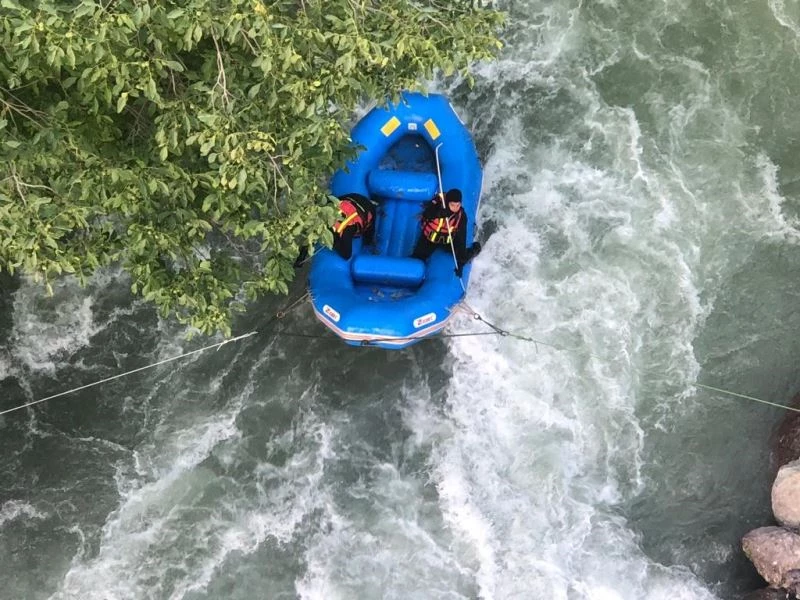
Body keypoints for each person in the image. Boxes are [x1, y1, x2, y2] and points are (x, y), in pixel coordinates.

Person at [411, 188, 481, 276]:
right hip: (429, 239)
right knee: (417, 258)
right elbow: (427, 214)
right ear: (447, 203)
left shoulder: (461, 216)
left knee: (462, 257)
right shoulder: (438, 204)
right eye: (452, 205)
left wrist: (460, 264)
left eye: (458, 205)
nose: (455, 208)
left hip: (447, 240)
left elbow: (461, 237)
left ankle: (474, 250)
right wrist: (440, 214)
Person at [331, 192, 377, 260]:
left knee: (369, 236)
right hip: (353, 198)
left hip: (367, 208)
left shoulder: (345, 230)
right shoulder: (327, 211)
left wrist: (333, 242)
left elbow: (347, 255)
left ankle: (369, 242)